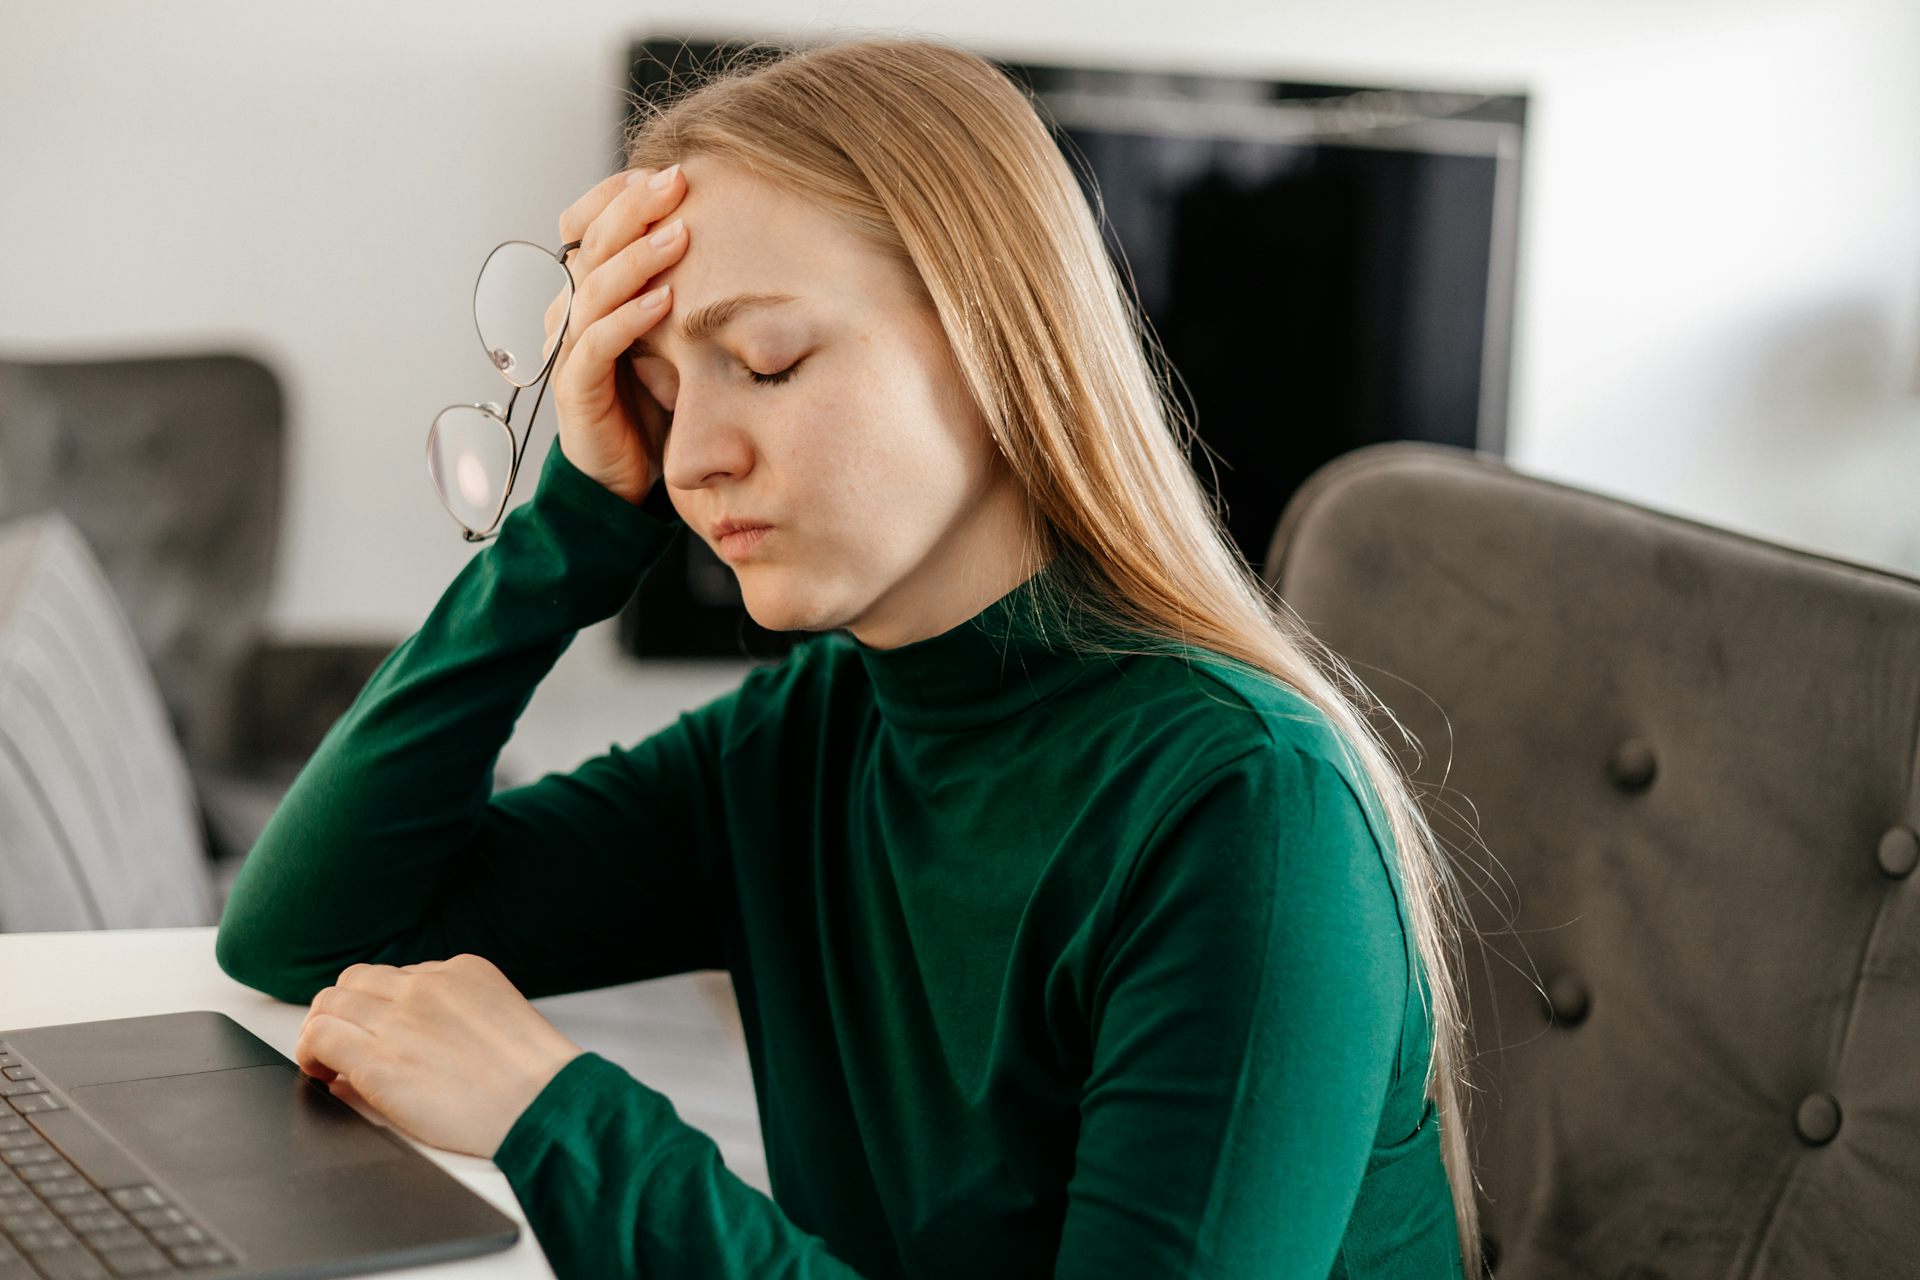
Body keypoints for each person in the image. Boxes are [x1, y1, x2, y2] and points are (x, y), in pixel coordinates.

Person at [215, 33, 1484, 1280]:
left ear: (996, 341)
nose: (691, 452)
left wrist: (564, 1119)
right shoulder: (813, 733)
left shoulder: (1247, 808)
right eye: (659, 391)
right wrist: (574, 527)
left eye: (765, 360)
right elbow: (302, 933)